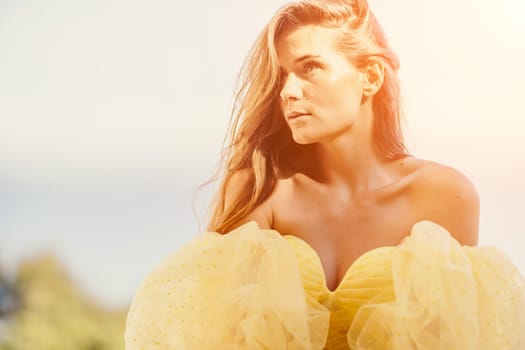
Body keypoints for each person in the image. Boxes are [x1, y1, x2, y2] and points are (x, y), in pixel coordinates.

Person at [125, 0, 525, 349]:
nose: (288, 92)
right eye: (281, 75)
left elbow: (460, 341)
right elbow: (211, 337)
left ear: (370, 77)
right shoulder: (260, 189)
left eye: (310, 67)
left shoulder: (443, 195)